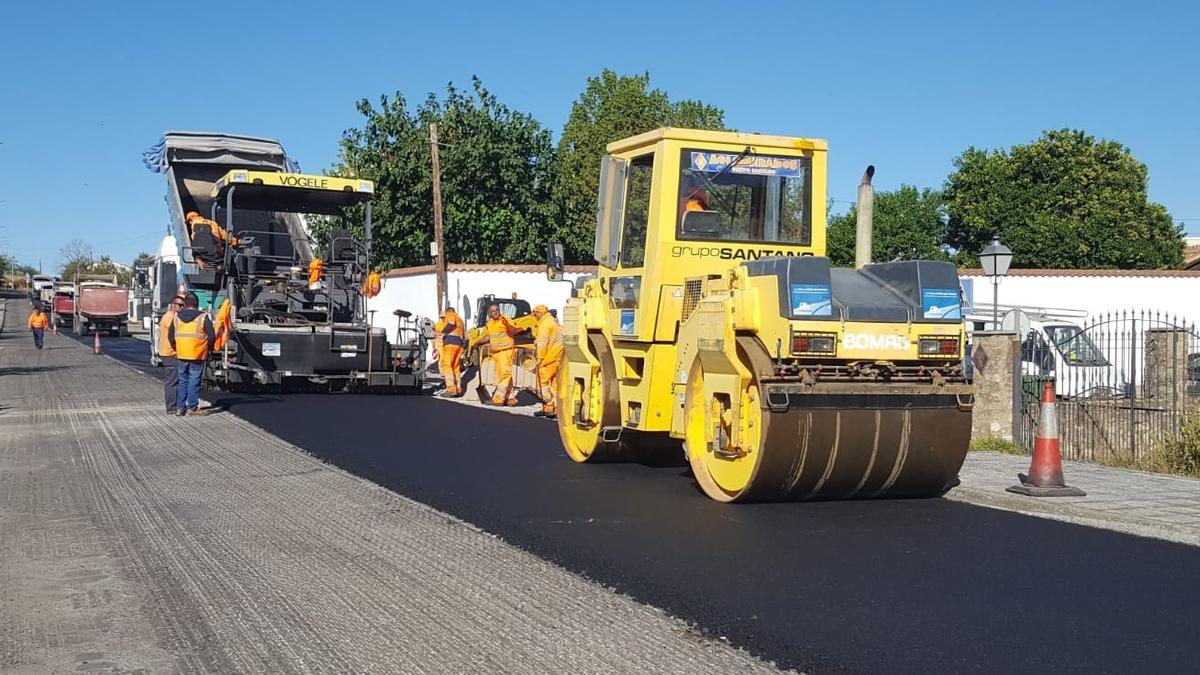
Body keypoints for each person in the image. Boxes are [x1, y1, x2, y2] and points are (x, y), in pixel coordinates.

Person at [168, 292, 216, 416]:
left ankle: (180, 408)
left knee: (183, 380)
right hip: (197, 354)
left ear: (184, 304)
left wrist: (176, 347)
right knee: (194, 380)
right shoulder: (203, 317)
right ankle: (192, 407)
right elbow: (211, 336)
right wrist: (207, 348)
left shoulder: (176, 317)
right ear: (197, 304)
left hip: (182, 353)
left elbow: (170, 336)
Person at [476, 303, 524, 406]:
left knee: (505, 375)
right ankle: (510, 398)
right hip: (496, 352)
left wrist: (513, 328)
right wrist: (477, 342)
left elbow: (513, 330)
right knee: (502, 375)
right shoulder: (490, 323)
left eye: (497, 310)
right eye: (493, 311)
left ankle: (499, 398)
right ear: (490, 313)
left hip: (506, 351)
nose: (495, 312)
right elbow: (488, 337)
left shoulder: (505, 320)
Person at [532, 304, 563, 419]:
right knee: (555, 384)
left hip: (548, 358)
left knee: (542, 383)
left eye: (535, 315)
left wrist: (539, 359)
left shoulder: (544, 324)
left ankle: (549, 406)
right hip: (558, 357)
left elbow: (542, 344)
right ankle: (556, 408)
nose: (535, 317)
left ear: (539, 313)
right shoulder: (555, 322)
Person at [159, 295, 184, 415]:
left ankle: (173, 405)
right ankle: (171, 407)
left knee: (173, 380)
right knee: (172, 381)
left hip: (166, 352)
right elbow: (172, 337)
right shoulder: (171, 318)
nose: (182, 308)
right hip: (170, 353)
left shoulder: (168, 316)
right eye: (180, 305)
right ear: (173, 305)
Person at [435, 306, 466, 397]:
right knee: (455, 367)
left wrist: (442, 332)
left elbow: (451, 324)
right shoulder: (460, 320)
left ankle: (451, 389)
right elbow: (462, 335)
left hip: (450, 344)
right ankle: (458, 388)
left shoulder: (450, 315)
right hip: (459, 345)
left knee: (447, 366)